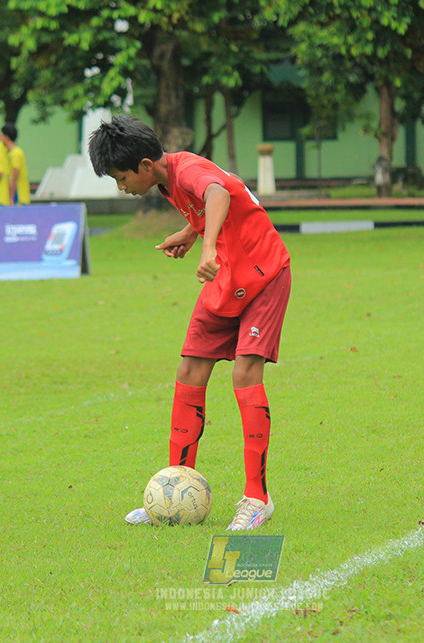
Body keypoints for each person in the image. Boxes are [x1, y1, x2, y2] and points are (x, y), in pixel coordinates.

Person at [89, 115, 291, 531]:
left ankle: (258, 497)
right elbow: (223, 190)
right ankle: (173, 492)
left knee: (244, 372)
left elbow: (217, 189)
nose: (121, 187)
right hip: (226, 277)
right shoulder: (168, 180)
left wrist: (208, 245)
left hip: (263, 273)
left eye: (121, 177)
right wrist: (191, 230)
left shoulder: (189, 170)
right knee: (190, 371)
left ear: (145, 165)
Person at [1, 123, 30, 205]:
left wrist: (11, 198)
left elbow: (14, 176)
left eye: (2, 136)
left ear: (6, 137)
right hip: (17, 197)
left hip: (19, 197)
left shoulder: (16, 154)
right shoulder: (10, 153)